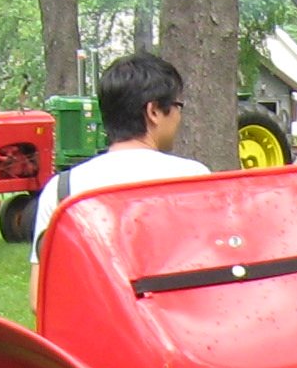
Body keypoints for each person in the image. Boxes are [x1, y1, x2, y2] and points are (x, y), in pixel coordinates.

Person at [28, 53, 208, 255]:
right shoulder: (194, 180)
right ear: (154, 111)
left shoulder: (62, 190)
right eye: (178, 106)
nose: (179, 117)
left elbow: (42, 286)